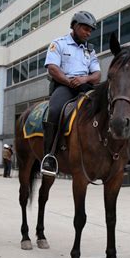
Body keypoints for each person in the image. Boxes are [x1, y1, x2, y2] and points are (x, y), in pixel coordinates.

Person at [40, 11, 101, 177]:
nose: (88, 33)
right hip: (64, 86)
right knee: (54, 111)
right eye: (85, 29)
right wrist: (69, 81)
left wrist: (84, 79)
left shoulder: (90, 50)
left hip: (85, 86)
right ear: (74, 26)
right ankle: (49, 156)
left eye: (90, 30)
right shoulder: (59, 44)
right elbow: (52, 68)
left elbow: (97, 75)